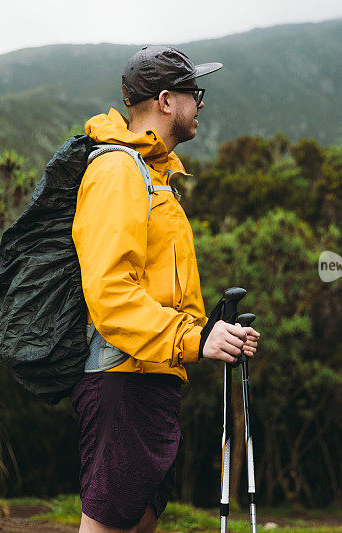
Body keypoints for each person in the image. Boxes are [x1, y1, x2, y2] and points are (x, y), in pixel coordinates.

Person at [71, 45, 260, 533]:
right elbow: (112, 293)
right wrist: (193, 339)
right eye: (195, 94)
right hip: (122, 379)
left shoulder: (157, 177)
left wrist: (214, 333)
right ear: (166, 100)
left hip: (152, 380)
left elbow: (161, 290)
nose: (200, 104)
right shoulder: (117, 172)